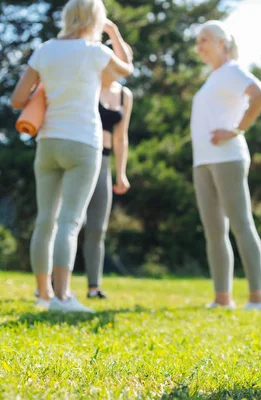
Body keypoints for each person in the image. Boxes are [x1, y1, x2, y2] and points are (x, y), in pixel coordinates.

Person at [10, 0, 133, 313]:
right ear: (96, 18)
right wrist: (114, 34)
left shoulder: (45, 49)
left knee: (44, 221)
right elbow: (126, 69)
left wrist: (48, 89)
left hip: (48, 141)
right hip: (82, 142)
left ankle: (43, 295)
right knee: (70, 222)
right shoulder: (95, 51)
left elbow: (17, 99)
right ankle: (63, 298)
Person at [190, 20, 261, 311]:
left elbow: (260, 95)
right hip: (203, 161)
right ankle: (222, 299)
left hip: (228, 158)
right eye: (197, 41)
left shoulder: (231, 71)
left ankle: (258, 297)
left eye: (204, 40)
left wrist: (236, 130)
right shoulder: (213, 77)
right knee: (214, 231)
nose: (198, 46)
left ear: (222, 43)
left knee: (241, 225)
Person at [82, 55, 133, 300]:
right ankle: (52, 284)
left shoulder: (125, 95)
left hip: (104, 161)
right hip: (82, 156)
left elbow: (121, 137)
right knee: (68, 222)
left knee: (97, 227)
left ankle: (94, 287)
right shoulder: (88, 83)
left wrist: (121, 171)